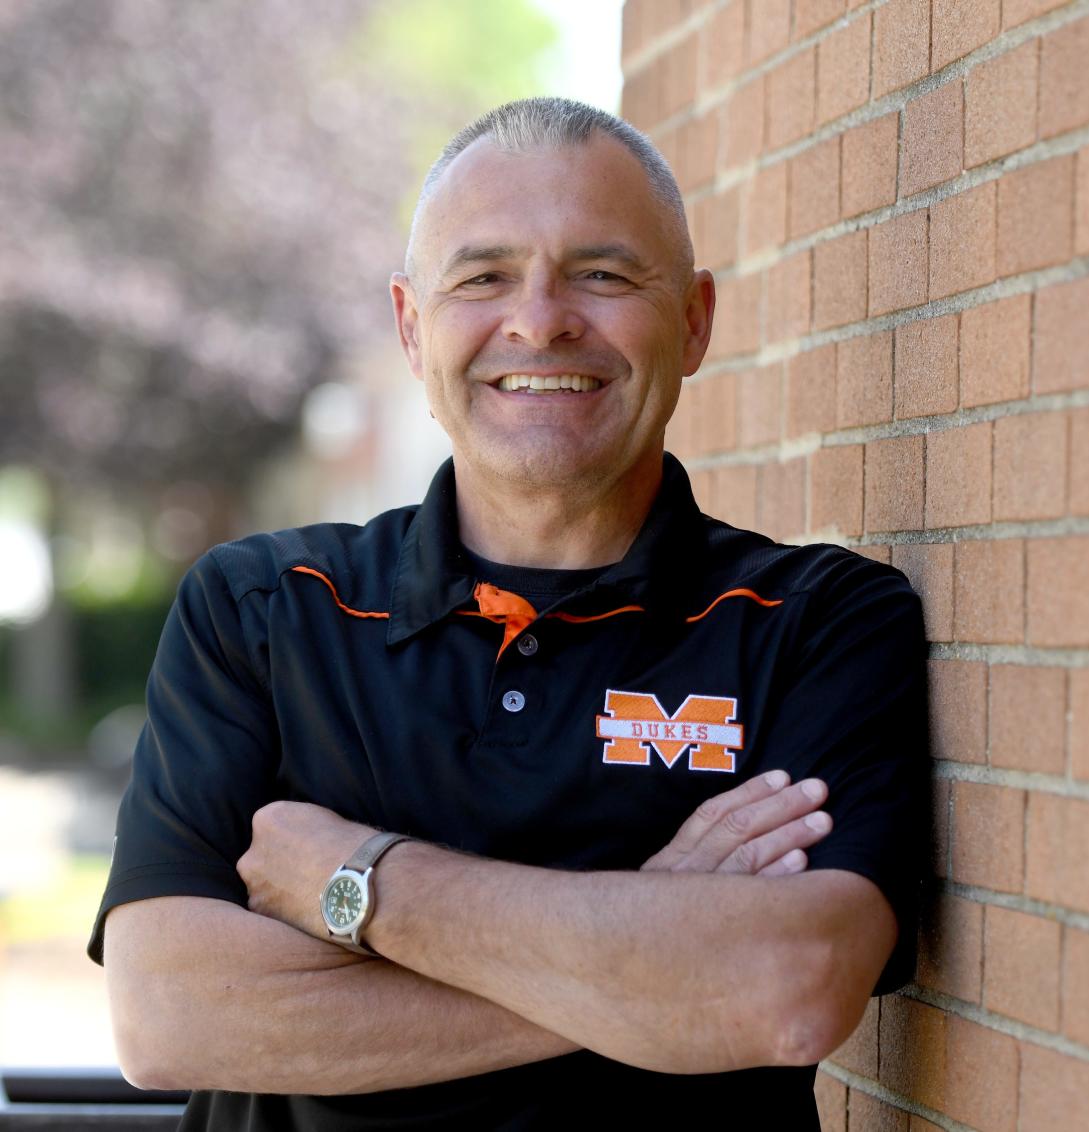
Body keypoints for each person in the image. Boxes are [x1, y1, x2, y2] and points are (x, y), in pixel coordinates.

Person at [90, 97, 927, 1130]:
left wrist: (363, 883)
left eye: (604, 274)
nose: (539, 320)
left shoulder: (818, 622)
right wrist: (656, 939)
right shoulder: (263, 613)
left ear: (696, 319)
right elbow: (167, 1015)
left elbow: (789, 989)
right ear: (410, 325)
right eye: (484, 276)